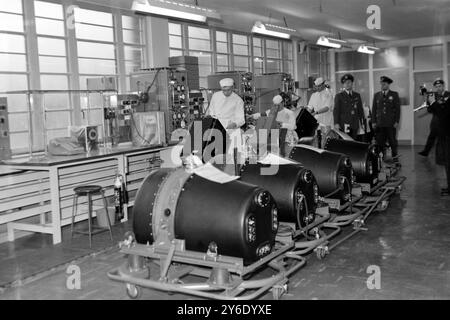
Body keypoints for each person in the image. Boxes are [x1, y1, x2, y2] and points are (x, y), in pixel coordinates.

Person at [207, 78, 245, 157]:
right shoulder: (216, 96)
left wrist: (234, 124)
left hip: (230, 130)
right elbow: (211, 110)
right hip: (216, 128)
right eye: (223, 90)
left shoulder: (238, 100)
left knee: (229, 156)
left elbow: (241, 119)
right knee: (213, 153)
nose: (226, 92)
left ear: (232, 88)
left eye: (228, 90)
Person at [372, 76, 401, 163]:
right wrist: (373, 121)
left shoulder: (394, 94)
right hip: (380, 124)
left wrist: (396, 121)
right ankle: (381, 160)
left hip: (390, 123)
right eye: (382, 83)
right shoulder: (377, 95)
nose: (383, 85)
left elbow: (398, 109)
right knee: (380, 143)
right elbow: (374, 109)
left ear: (388, 84)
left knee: (393, 142)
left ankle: (395, 158)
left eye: (384, 83)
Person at [427, 88, 450, 196]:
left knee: (448, 162)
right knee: (446, 162)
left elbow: (443, 114)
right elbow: (436, 110)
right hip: (444, 135)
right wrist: (431, 102)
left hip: (447, 135)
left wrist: (433, 102)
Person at [419, 79, 450, 157]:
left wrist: (437, 104)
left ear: (443, 86)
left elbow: (445, 109)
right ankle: (426, 151)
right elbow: (430, 110)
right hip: (436, 120)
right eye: (436, 87)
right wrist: (428, 102)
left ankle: (444, 156)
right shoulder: (434, 96)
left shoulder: (448, 95)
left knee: (444, 140)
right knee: (432, 137)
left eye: (440, 86)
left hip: (445, 121)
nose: (438, 88)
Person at [333, 73, 365, 140]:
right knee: (345, 143)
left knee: (354, 142)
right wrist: (336, 123)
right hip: (344, 124)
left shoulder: (357, 95)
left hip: (355, 124)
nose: (347, 84)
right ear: (343, 85)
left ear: (352, 83)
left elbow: (360, 110)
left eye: (349, 82)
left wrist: (362, 123)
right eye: (345, 83)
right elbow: (336, 111)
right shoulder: (339, 96)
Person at [307, 77, 334, 144]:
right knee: (316, 141)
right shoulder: (313, 95)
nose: (317, 88)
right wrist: (306, 114)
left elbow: (327, 108)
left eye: (319, 86)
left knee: (325, 142)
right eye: (316, 86)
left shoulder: (329, 94)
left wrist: (316, 112)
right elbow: (309, 108)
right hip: (316, 122)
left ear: (323, 85)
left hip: (326, 121)